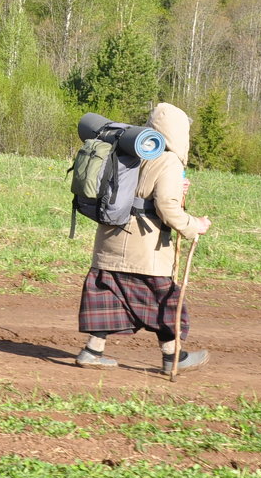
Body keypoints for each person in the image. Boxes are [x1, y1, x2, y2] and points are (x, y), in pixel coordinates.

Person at [76, 102, 213, 374]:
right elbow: (167, 206)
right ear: (180, 131)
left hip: (110, 239)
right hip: (145, 248)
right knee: (163, 300)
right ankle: (174, 357)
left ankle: (92, 351)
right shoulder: (169, 160)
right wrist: (193, 225)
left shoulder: (131, 147)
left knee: (110, 295)